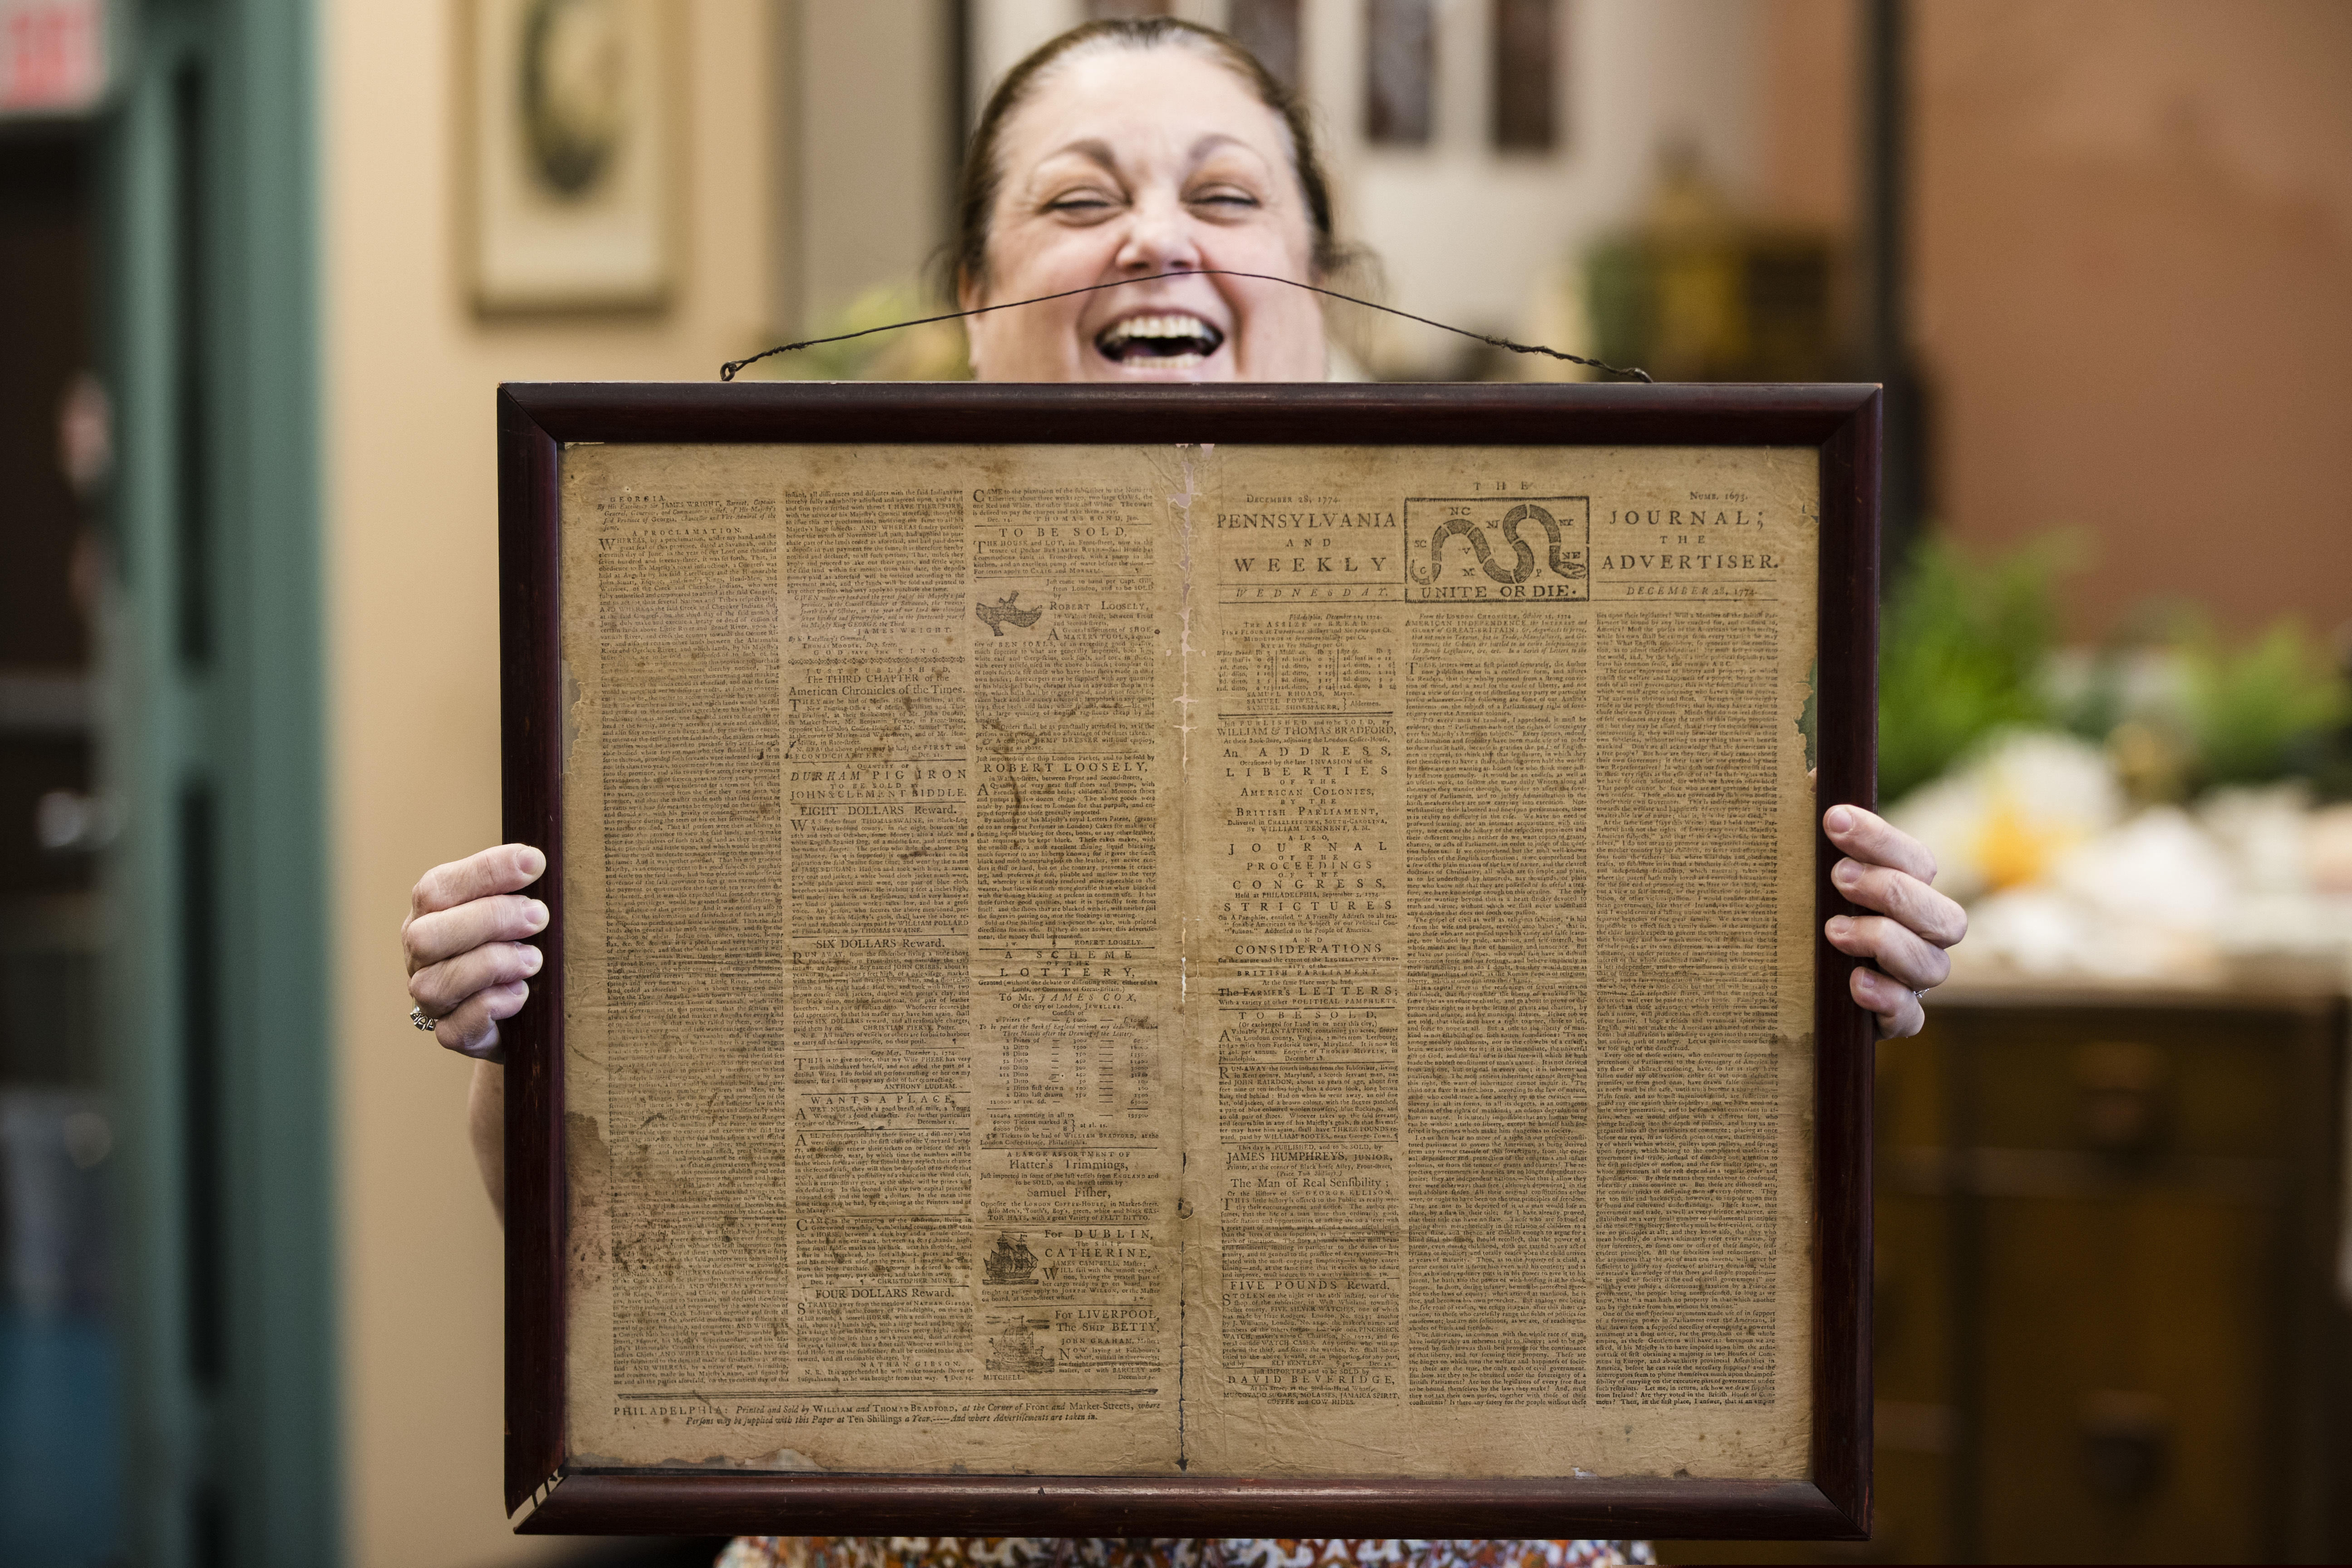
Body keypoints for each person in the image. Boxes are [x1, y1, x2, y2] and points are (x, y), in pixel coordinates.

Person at [401, 20, 1964, 1568]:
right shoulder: (770, 666)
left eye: (1223, 200)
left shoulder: (1565, 667)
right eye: (1079, 203)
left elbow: (1673, 1178)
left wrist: (1822, 984)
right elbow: (635, 1229)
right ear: (969, 295)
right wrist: (515, 1033)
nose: (1155, 242)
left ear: (1319, 278)